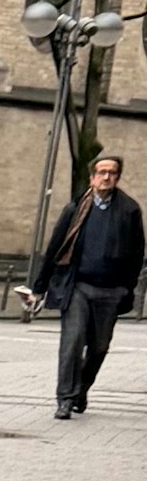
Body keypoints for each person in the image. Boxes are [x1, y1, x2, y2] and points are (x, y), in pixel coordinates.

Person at [28, 153, 143, 419]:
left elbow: (137, 253)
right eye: (101, 172)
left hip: (111, 290)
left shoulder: (130, 210)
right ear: (92, 177)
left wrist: (128, 287)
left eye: (112, 173)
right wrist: (39, 287)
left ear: (118, 177)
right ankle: (65, 399)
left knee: (99, 347)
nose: (106, 177)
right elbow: (55, 247)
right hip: (78, 286)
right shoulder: (76, 208)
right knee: (73, 341)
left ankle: (81, 388)